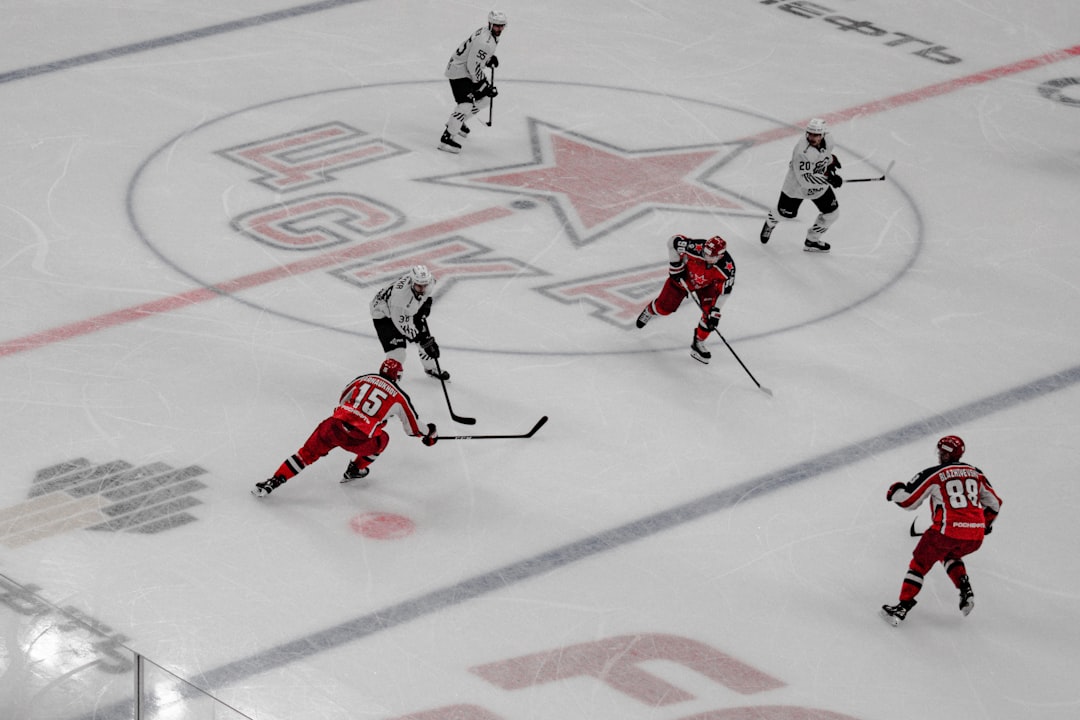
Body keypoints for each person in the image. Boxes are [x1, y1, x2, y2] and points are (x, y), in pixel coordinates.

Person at [252, 359, 438, 497]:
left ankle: (273, 481)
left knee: (305, 454)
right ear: (398, 376)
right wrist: (429, 433)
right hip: (360, 439)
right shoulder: (398, 396)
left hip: (334, 426)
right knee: (383, 439)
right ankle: (355, 469)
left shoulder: (364, 378)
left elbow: (343, 398)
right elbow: (413, 429)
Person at [880, 435, 1003, 626]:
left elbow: (908, 501)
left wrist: (894, 491)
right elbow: (995, 503)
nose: (939, 455)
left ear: (946, 454)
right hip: (975, 537)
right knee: (948, 554)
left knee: (919, 564)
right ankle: (965, 589)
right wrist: (983, 524)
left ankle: (901, 609)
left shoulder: (936, 473)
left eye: (942, 452)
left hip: (946, 531)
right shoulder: (975, 473)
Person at [634, 234, 736, 364]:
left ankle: (698, 342)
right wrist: (675, 266)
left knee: (710, 315)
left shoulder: (728, 268)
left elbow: (725, 292)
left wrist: (716, 310)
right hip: (682, 280)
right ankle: (650, 310)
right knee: (664, 309)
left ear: (720, 256)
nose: (705, 256)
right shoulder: (695, 247)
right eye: (704, 253)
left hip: (706, 286)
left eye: (710, 256)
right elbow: (672, 242)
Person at [759, 118, 843, 253]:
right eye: (809, 133)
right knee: (786, 214)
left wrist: (831, 160)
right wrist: (829, 179)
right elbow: (805, 179)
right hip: (796, 187)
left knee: (832, 213)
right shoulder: (802, 152)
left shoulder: (829, 139)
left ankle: (812, 240)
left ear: (822, 134)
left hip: (819, 186)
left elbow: (824, 155)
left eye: (815, 135)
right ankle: (771, 221)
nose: (811, 137)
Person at [438, 10, 506, 154]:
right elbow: (472, 66)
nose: (499, 29)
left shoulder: (487, 33)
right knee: (465, 105)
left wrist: (487, 60)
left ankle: (458, 122)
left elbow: (474, 55)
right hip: (458, 71)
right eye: (497, 26)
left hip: (467, 70)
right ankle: (447, 138)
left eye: (502, 26)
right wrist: (482, 84)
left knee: (486, 99)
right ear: (490, 24)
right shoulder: (485, 42)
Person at [370, 264, 448, 381]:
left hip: (406, 308)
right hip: (384, 314)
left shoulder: (429, 282)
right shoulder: (400, 299)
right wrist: (422, 339)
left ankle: (431, 368)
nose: (422, 289)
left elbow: (424, 294)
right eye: (419, 286)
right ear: (412, 283)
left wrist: (425, 304)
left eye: (424, 286)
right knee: (398, 353)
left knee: (425, 341)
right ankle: (389, 378)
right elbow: (403, 326)